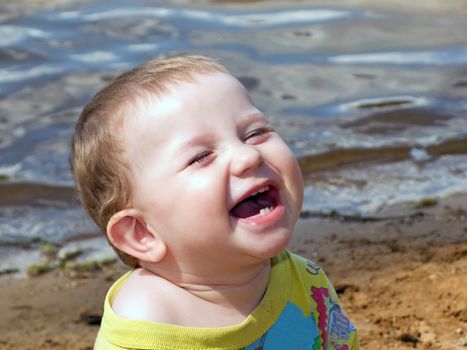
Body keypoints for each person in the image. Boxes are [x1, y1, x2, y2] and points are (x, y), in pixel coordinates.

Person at [71, 54, 359, 349]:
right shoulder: (147, 330)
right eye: (200, 157)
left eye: (255, 132)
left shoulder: (306, 282)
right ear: (142, 233)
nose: (249, 156)